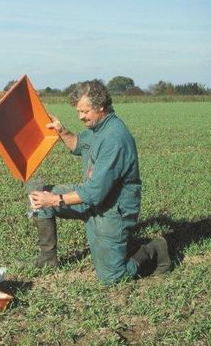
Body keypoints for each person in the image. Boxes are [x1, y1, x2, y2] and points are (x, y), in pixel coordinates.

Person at [28, 79, 171, 284]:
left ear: (101, 107)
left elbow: (95, 193)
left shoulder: (114, 137)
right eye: (78, 111)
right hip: (92, 198)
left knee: (112, 278)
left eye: (85, 112)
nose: (80, 116)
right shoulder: (98, 128)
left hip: (112, 210)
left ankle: (154, 249)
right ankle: (47, 260)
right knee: (38, 193)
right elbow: (79, 145)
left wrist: (53, 200)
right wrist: (61, 130)